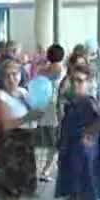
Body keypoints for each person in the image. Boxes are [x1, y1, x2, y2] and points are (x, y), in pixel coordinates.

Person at [0, 60, 42, 200]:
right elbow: (6, 124)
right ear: (1, 78)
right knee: (8, 182)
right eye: (8, 75)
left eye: (16, 74)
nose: (12, 79)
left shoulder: (23, 92)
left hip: (24, 141)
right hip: (8, 143)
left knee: (20, 180)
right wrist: (28, 117)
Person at [55, 64, 100, 200]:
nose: (76, 84)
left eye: (80, 81)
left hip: (81, 154)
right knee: (77, 193)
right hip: (72, 150)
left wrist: (87, 135)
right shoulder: (73, 100)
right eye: (73, 80)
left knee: (80, 193)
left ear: (88, 82)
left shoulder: (87, 102)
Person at [36, 44, 65, 182]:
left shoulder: (42, 71)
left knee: (44, 141)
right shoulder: (62, 71)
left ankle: (44, 167)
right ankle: (46, 169)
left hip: (42, 107)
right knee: (55, 142)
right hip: (56, 108)